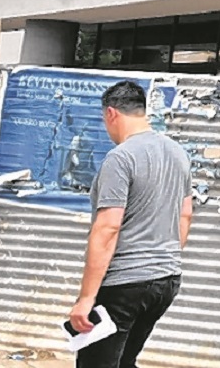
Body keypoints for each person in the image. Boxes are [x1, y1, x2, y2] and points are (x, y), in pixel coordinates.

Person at [67, 81, 193, 367]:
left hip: (125, 284)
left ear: (111, 113)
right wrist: (163, 257)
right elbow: (185, 215)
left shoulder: (120, 158)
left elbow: (108, 227)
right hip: (166, 280)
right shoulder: (178, 154)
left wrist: (86, 298)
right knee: (124, 362)